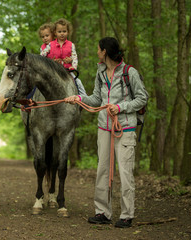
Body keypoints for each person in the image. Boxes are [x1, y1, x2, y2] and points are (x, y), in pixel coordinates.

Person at [65, 37, 148, 228]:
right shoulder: (100, 72)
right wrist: (78, 98)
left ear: (105, 52)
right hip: (104, 127)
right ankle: (102, 212)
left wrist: (120, 107)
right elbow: (95, 98)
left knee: (126, 173)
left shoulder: (130, 72)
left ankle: (127, 215)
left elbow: (142, 98)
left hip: (124, 128)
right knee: (102, 170)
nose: (96, 52)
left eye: (98, 49)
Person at [41, 18, 86, 96]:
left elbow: (75, 57)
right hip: (54, 71)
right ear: (55, 33)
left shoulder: (71, 45)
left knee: (78, 82)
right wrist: (51, 61)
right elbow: (42, 55)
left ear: (68, 32)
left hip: (67, 71)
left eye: (64, 31)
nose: (62, 33)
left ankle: (84, 99)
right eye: (59, 31)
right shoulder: (51, 45)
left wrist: (72, 64)